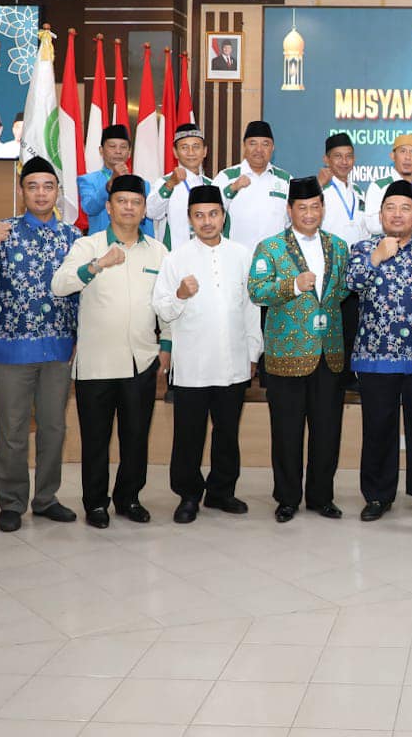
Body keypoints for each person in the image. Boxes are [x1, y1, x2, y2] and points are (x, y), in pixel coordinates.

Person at [52, 173, 170, 528]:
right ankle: (95, 504)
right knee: (96, 439)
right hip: (97, 363)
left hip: (141, 360)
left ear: (145, 209)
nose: (129, 208)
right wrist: (97, 265)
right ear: (109, 207)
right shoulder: (88, 246)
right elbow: (60, 285)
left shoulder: (158, 251)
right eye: (122, 201)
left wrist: (166, 345)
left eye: (136, 202)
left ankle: (129, 498)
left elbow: (165, 303)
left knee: (136, 437)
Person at [0, 157, 81, 532]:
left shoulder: (73, 237)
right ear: (21, 191)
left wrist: (80, 337)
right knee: (12, 429)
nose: (41, 193)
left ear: (57, 192)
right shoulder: (2, 232)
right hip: (13, 349)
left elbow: (82, 291)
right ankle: (11, 502)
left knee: (54, 428)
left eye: (48, 186)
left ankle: (46, 498)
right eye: (33, 186)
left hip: (58, 348)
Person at [153, 185, 263, 523]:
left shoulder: (241, 255)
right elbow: (161, 309)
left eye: (213, 214)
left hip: (233, 360)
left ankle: (221, 492)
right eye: (199, 215)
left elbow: (250, 308)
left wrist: (253, 352)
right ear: (189, 219)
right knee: (189, 435)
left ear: (223, 216)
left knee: (227, 432)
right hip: (193, 365)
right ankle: (188, 495)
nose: (207, 221)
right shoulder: (175, 258)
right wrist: (180, 294)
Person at [247, 177, 351, 522]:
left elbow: (343, 292)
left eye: (315, 207)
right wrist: (292, 285)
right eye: (302, 207)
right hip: (286, 356)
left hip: (328, 354)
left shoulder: (338, 246)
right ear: (289, 209)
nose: (309, 213)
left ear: (323, 208)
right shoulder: (270, 247)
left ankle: (322, 497)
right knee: (287, 432)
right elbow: (257, 291)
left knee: (327, 431)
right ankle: (288, 498)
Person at [345, 180, 412, 521]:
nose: (398, 214)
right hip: (376, 358)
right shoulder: (362, 248)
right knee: (378, 429)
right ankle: (377, 496)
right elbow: (351, 283)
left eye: (405, 208)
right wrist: (377, 257)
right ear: (380, 215)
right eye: (390, 208)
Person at [317, 132, 369, 391]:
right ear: (326, 159)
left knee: (351, 324)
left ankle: (349, 376)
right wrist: (317, 185)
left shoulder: (358, 192)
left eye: (348, 156)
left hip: (355, 269)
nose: (344, 161)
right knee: (328, 324)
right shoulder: (320, 189)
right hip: (328, 267)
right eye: (337, 156)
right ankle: (328, 375)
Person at [220, 120, 292, 251]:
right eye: (253, 143)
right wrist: (232, 188)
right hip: (236, 257)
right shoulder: (226, 177)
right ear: (244, 146)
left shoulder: (286, 180)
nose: (259, 149)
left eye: (265, 144)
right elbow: (212, 212)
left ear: (273, 148)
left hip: (275, 257)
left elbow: (295, 220)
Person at [147, 123, 216, 250]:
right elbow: (151, 212)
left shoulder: (212, 185)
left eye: (196, 147)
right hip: (174, 256)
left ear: (205, 151)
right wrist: (170, 185)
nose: (191, 152)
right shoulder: (165, 182)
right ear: (175, 152)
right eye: (184, 147)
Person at [79, 125, 153, 237]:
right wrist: (110, 184)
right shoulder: (88, 180)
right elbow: (89, 208)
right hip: (100, 244)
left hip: (133, 244)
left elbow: (147, 223)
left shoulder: (143, 184)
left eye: (123, 147)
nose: (118, 151)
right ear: (101, 150)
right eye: (112, 146)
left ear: (129, 152)